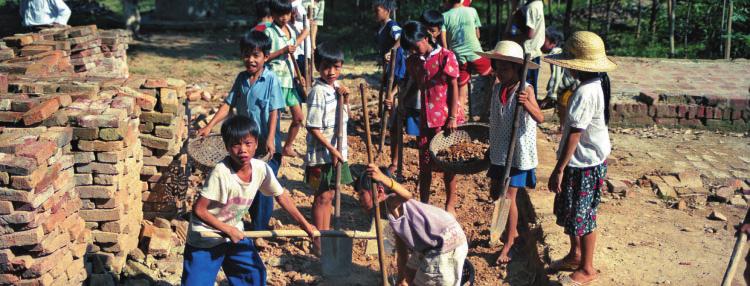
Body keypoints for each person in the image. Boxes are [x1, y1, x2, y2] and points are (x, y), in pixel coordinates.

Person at [182, 115, 317, 286]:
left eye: (248, 143)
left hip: (235, 234)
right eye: (236, 145)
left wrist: (305, 225)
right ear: (227, 147)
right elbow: (199, 210)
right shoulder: (221, 173)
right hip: (206, 237)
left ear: (256, 144)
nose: (242, 150)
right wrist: (227, 230)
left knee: (254, 276)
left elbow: (281, 196)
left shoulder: (261, 169)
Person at [544, 31, 616, 286]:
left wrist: (559, 169)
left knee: (584, 216)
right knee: (574, 211)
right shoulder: (594, 85)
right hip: (584, 159)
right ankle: (575, 255)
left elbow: (575, 133)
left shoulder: (585, 92)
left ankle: (587, 268)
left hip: (583, 162)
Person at [197, 31, 286, 232]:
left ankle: (260, 230)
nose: (251, 60)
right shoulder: (241, 79)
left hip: (266, 146)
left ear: (266, 56)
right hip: (246, 144)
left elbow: (274, 111)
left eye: (256, 55)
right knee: (248, 185)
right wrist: (209, 126)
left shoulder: (271, 79)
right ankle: (249, 225)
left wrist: (271, 138)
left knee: (264, 189)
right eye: (246, 55)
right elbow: (228, 104)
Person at [476, 40, 543, 264]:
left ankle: (509, 243)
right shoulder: (496, 89)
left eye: (505, 68)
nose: (501, 72)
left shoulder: (526, 90)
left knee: (508, 197)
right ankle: (509, 231)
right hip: (500, 150)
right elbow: (495, 120)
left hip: (518, 153)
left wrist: (528, 104)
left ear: (516, 69)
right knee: (497, 193)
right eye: (498, 67)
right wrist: (490, 148)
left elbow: (540, 118)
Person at [361, 164, 468, 286]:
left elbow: (407, 195)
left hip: (445, 243)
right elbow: (402, 251)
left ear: (379, 191)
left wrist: (383, 178)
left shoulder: (391, 201)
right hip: (430, 243)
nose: (359, 199)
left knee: (427, 280)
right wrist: (401, 278)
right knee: (409, 273)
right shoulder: (388, 212)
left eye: (361, 194)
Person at [401, 21, 462, 216]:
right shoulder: (413, 61)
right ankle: (424, 204)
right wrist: (402, 103)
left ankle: (450, 204)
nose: (414, 51)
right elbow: (413, 85)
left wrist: (452, 117)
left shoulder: (446, 57)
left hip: (445, 120)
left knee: (448, 164)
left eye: (416, 46)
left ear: (426, 38)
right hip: (425, 120)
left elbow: (454, 87)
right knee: (425, 164)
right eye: (410, 48)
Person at [304, 44, 354, 254]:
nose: (331, 72)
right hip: (322, 154)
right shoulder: (317, 92)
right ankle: (318, 239)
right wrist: (332, 150)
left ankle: (326, 236)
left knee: (331, 195)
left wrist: (346, 98)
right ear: (318, 67)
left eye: (336, 67)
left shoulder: (337, 88)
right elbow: (313, 127)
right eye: (326, 67)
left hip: (338, 152)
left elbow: (344, 118)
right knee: (322, 196)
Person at [264, 0, 307, 158]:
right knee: (274, 119)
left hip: (289, 81)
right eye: (280, 14)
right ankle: (271, 150)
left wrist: (298, 75)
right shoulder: (269, 32)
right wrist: (282, 50)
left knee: (299, 118)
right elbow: (264, 57)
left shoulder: (290, 29)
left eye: (287, 14)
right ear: (273, 14)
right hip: (275, 81)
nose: (284, 17)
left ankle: (287, 146)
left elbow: (292, 56)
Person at [441, 0, 493, 120]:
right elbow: (478, 35)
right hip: (475, 53)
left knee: (461, 89)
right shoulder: (472, 11)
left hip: (458, 57)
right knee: (495, 74)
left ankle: (460, 118)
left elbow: (444, 44)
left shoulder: (444, 16)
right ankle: (487, 111)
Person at [539, 27, 578, 130]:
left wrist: (551, 95)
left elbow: (556, 76)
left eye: (544, 40)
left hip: (570, 85)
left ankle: (563, 128)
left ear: (553, 42)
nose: (540, 42)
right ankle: (563, 127)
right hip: (571, 84)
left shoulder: (555, 53)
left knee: (562, 104)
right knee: (564, 105)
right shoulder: (561, 51)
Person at [521, 0, 545, 99]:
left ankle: (528, 110)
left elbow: (529, 34)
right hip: (534, 50)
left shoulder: (531, 7)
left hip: (529, 52)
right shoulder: (538, 3)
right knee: (531, 85)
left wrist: (514, 38)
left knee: (526, 85)